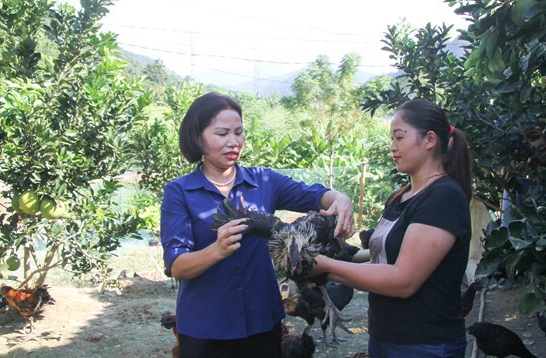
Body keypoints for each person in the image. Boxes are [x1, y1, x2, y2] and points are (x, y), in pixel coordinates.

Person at [160, 92, 355, 357]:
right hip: (205, 327)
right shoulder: (179, 192)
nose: (233, 142)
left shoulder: (264, 181)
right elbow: (177, 265)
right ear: (197, 138)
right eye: (222, 133)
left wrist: (341, 200)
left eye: (238, 132)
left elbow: (316, 194)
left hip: (262, 322)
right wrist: (216, 250)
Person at [311, 99, 472, 357]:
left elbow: (403, 280)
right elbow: (382, 261)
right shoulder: (402, 196)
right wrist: (323, 265)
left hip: (424, 345)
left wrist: (327, 266)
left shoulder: (443, 197)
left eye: (399, 137)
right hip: (386, 337)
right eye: (391, 139)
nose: (392, 147)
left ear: (430, 140)